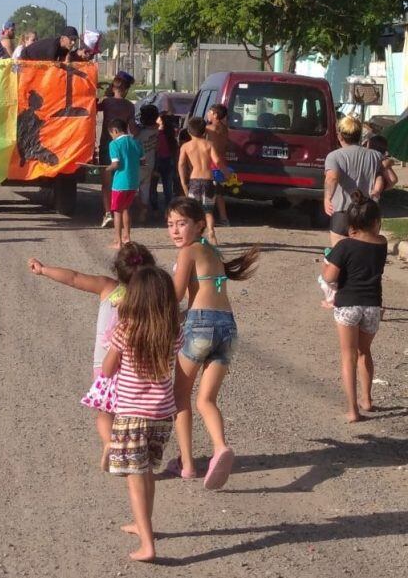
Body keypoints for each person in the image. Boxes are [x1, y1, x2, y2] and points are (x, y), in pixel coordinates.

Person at [27, 243, 156, 471]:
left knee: (104, 412)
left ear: (118, 269)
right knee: (130, 412)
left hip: (103, 364)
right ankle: (133, 451)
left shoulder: (108, 287)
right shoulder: (149, 298)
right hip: (133, 367)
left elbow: (74, 278)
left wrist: (44, 269)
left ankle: (109, 444)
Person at [166, 197, 259, 489]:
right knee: (206, 399)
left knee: (179, 396)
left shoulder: (188, 252)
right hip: (227, 327)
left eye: (182, 223)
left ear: (199, 225)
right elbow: (200, 297)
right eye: (170, 224)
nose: (175, 230)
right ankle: (220, 447)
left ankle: (188, 464)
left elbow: (176, 296)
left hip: (201, 325)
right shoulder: (212, 251)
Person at [101, 264, 179, 563]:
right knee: (147, 472)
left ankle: (147, 544)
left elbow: (108, 369)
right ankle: (143, 524)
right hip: (161, 415)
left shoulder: (126, 330)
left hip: (132, 414)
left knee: (135, 478)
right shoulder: (171, 330)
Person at [321, 191, 388, 423]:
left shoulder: (344, 246)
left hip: (348, 305)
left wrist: (326, 263)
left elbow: (330, 277)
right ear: (377, 222)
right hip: (372, 306)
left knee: (347, 356)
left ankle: (353, 410)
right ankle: (367, 399)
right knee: (364, 352)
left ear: (351, 223)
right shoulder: (382, 244)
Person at [324, 115, 383, 247]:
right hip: (367, 212)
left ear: (340, 136)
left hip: (342, 211)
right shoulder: (375, 156)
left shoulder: (334, 156)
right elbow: (387, 178)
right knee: (366, 255)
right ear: (359, 135)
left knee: (338, 255)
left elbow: (332, 178)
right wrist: (377, 190)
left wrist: (327, 198)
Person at [178, 117, 229, 244]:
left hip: (194, 180)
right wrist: (226, 173)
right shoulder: (209, 145)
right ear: (204, 132)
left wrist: (183, 181)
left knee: (193, 211)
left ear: (189, 132)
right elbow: (216, 161)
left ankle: (194, 235)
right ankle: (211, 231)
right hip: (208, 180)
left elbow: (181, 164)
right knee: (208, 210)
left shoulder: (186, 146)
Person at [98, 75, 137, 228]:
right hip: (123, 146)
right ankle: (120, 210)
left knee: (106, 182)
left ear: (113, 87)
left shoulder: (106, 102)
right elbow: (133, 129)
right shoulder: (129, 106)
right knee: (121, 180)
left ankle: (108, 213)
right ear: (126, 89)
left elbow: (90, 106)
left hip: (107, 145)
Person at [106, 118, 143, 249]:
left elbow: (116, 164)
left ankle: (117, 241)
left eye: (111, 134)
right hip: (133, 182)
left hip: (120, 182)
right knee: (126, 209)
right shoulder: (135, 142)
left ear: (115, 131)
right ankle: (127, 238)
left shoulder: (114, 144)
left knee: (117, 211)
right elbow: (142, 161)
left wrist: (106, 168)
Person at [150, 112, 179, 219]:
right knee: (168, 188)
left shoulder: (157, 134)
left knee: (153, 187)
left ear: (161, 121)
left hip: (157, 162)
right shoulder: (171, 134)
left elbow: (155, 150)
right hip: (169, 162)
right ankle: (169, 210)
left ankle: (155, 209)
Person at [206, 103, 230, 226]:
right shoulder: (224, 129)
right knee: (219, 193)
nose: (207, 114)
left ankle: (208, 219)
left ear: (215, 115)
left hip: (212, 164)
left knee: (209, 193)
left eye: (209, 112)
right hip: (222, 164)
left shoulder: (209, 129)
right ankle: (224, 218)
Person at [135, 105, 159, 223]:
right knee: (145, 188)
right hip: (151, 163)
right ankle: (144, 210)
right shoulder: (157, 131)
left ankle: (142, 209)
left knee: (133, 190)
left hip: (139, 165)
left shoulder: (141, 134)